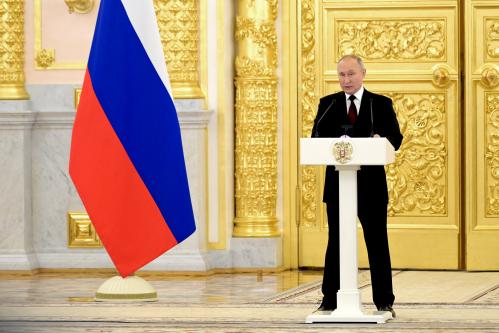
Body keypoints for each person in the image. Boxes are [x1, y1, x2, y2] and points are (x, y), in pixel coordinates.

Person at [311, 54, 403, 317]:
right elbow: (316, 137)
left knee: (377, 242)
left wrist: (380, 138)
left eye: (351, 74)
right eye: (341, 75)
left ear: (363, 74)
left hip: (371, 186)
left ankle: (384, 301)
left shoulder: (380, 104)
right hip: (339, 184)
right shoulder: (328, 104)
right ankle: (329, 300)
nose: (346, 80)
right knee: (336, 242)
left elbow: (395, 138)